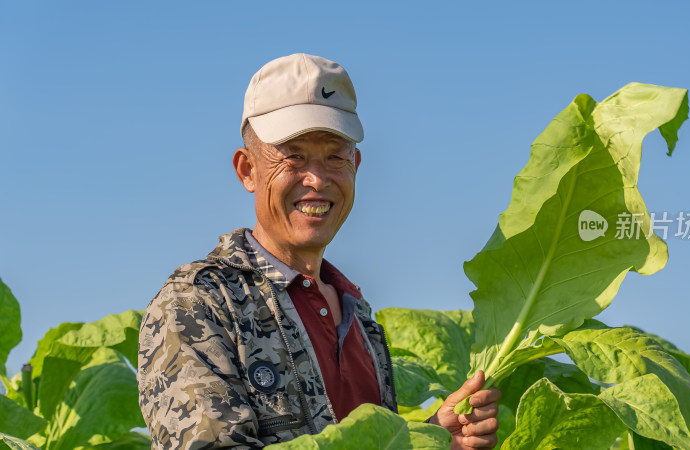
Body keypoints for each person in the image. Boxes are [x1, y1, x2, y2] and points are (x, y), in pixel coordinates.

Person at [137, 53, 500, 449]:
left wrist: (428, 439)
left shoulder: (359, 316)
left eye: (335, 156)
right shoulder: (199, 303)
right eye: (293, 155)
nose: (317, 178)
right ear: (248, 170)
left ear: (356, 165)